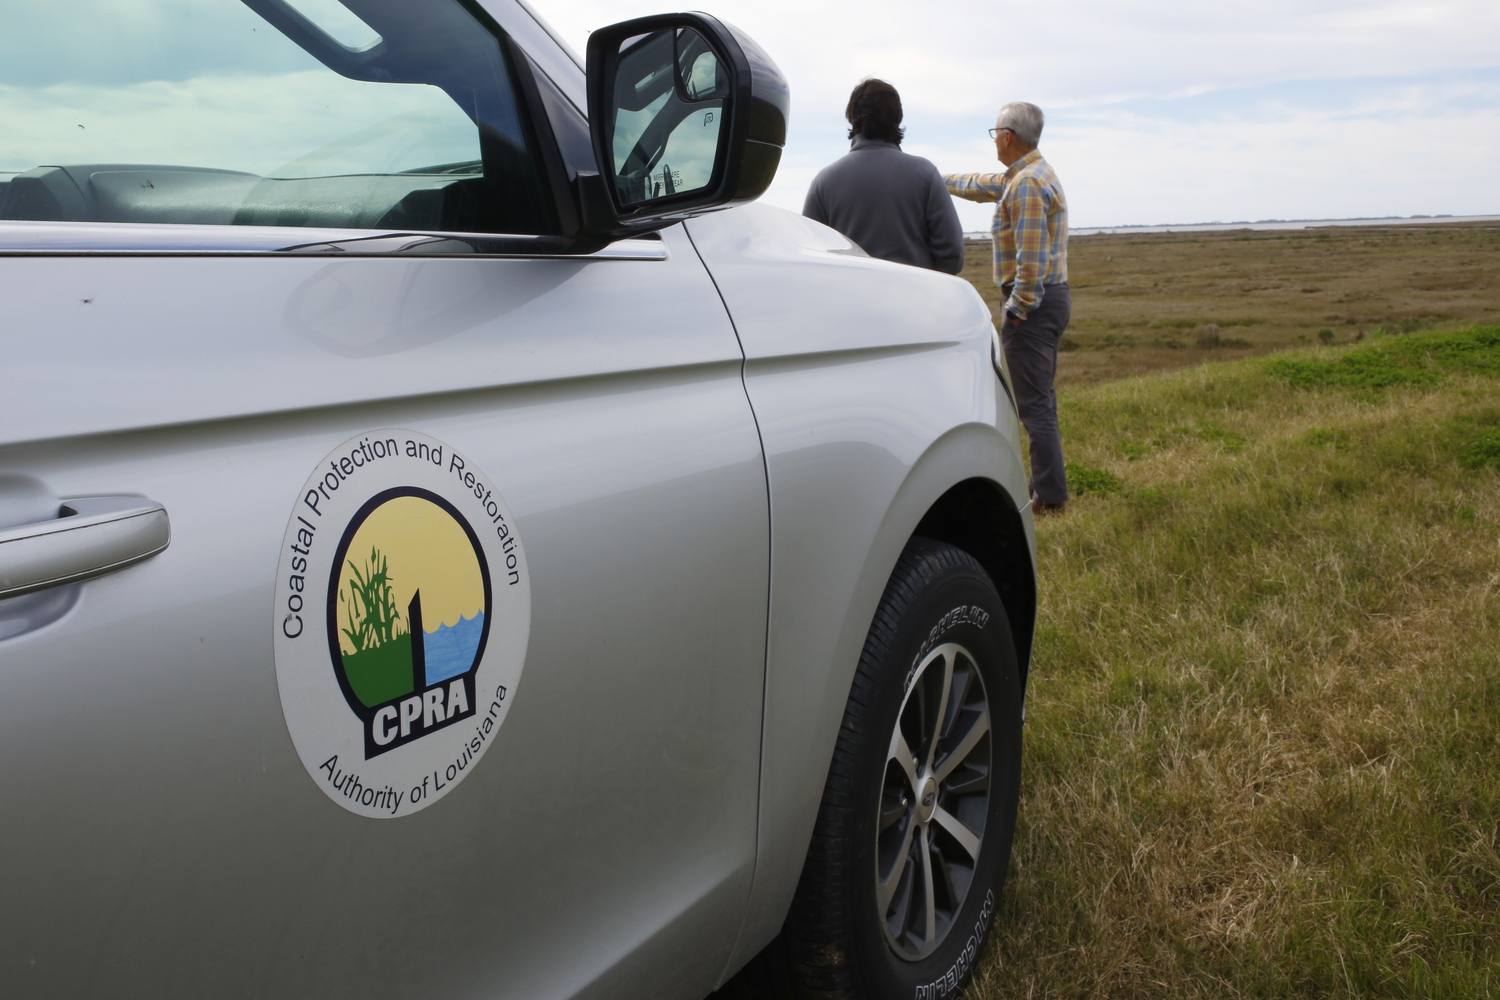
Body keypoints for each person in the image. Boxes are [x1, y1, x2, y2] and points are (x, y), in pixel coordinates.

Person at [945, 102, 1071, 514]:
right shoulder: (1025, 176)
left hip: (1033, 306)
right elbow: (983, 185)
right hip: (1046, 302)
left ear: (1008, 136)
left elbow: (1031, 264)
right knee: (1040, 400)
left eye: (994, 131)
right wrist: (935, 178)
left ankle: (1049, 500)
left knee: (1034, 407)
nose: (994, 139)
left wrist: (1016, 311)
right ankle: (1045, 490)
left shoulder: (1029, 184)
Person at [803, 79, 964, 274]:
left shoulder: (824, 181)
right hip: (916, 299)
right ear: (897, 117)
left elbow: (811, 255)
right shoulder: (925, 174)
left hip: (848, 299)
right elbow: (952, 255)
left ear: (852, 118)